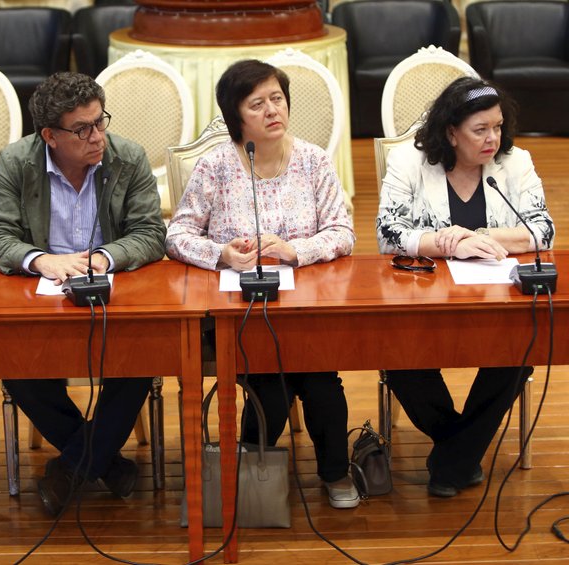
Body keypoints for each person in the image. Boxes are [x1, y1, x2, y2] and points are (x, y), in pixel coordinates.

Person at [166, 60, 358, 509]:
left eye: (278, 98)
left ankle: (334, 472)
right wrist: (222, 255)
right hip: (239, 312)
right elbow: (176, 236)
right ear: (237, 117)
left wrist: (296, 250)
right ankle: (249, 479)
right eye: (258, 104)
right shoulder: (216, 168)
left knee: (323, 381)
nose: (273, 110)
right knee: (272, 383)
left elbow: (343, 233)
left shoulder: (313, 161)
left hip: (304, 308)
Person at [0, 72, 166, 516]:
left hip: (113, 298)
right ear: (50, 135)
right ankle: (105, 464)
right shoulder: (15, 162)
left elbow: (150, 233)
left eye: (100, 122)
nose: (97, 136)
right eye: (82, 129)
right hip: (42, 301)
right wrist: (40, 260)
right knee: (16, 367)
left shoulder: (128, 158)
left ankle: (74, 466)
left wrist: (103, 257)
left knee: (141, 360)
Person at [376, 76, 554, 497]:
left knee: (519, 353)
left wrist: (481, 239)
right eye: (480, 130)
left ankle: (451, 460)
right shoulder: (409, 162)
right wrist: (446, 240)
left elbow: (543, 231)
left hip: (496, 297)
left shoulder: (516, 162)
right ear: (451, 132)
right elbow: (388, 232)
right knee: (401, 361)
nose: (493, 138)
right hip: (423, 296)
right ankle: (460, 453)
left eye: (497, 126)